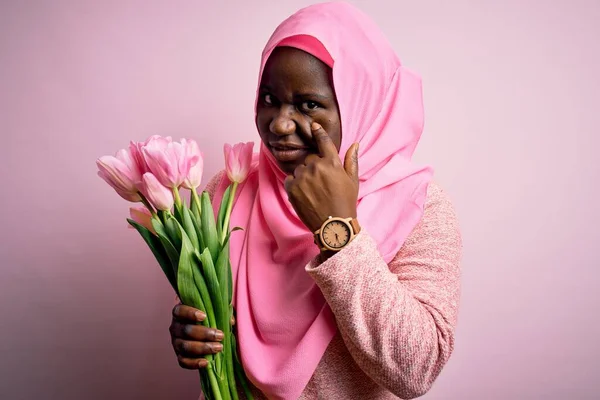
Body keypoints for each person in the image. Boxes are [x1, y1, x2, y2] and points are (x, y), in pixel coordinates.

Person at [169, 2, 462, 399]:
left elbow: (416, 370)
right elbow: (207, 320)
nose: (280, 123)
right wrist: (191, 331)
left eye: (309, 104)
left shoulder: (419, 208)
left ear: (361, 103)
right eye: (269, 98)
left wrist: (337, 229)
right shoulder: (228, 190)